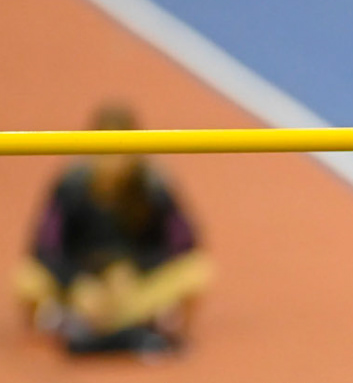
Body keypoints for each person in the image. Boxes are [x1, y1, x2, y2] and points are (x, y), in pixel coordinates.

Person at [13, 103, 210, 353]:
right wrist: (76, 283)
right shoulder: (71, 185)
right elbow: (44, 248)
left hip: (133, 289)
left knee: (198, 272)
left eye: (120, 152)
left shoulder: (152, 186)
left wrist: (134, 270)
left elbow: (184, 243)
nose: (112, 161)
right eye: (104, 151)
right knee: (26, 279)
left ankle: (126, 323)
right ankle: (69, 325)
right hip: (83, 289)